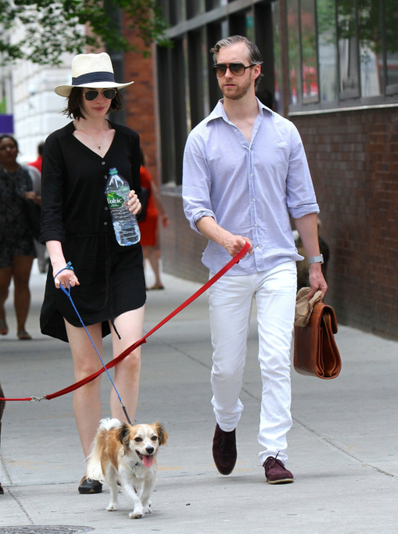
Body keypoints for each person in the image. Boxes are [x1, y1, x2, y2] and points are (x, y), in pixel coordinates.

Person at [182, 36, 328, 484]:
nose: (228, 75)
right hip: (227, 266)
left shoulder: (284, 133)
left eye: (237, 67)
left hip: (279, 262)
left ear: (256, 71)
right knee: (227, 365)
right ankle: (226, 424)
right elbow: (195, 208)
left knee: (273, 358)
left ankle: (273, 453)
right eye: (221, 68)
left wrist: (316, 262)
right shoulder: (201, 138)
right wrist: (226, 239)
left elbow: (303, 203)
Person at [39, 52, 145, 495]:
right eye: (92, 92)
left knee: (131, 357)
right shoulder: (58, 144)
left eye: (108, 92)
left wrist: (137, 205)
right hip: (75, 266)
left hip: (123, 258)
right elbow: (51, 214)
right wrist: (58, 262)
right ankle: (92, 465)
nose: (101, 99)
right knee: (87, 370)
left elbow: (132, 196)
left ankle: (118, 454)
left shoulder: (129, 139)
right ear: (77, 96)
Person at [0, 135, 41, 340]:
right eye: (4, 148)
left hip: (24, 236)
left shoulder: (31, 174)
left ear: (17, 149)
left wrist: (36, 198)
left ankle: (21, 327)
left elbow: (46, 201)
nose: (8, 150)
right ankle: (0, 309)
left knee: (23, 282)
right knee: (0, 286)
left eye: (12, 146)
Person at [137, 147, 169, 290]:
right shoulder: (144, 171)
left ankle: (141, 282)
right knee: (149, 248)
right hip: (151, 213)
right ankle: (158, 281)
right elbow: (154, 193)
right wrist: (162, 213)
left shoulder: (136, 172)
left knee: (142, 249)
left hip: (141, 215)